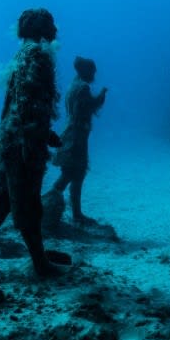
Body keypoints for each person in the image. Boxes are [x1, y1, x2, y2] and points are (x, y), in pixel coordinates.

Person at [0, 8, 70, 277]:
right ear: (41, 26)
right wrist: (38, 138)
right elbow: (29, 103)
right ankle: (40, 265)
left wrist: (43, 132)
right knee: (28, 201)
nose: (56, 29)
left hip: (11, 138)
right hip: (23, 142)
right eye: (52, 23)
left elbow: (21, 101)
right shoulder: (38, 54)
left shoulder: (22, 53)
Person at [44, 56, 108, 225]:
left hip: (73, 134)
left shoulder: (74, 85)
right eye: (93, 70)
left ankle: (74, 213)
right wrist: (101, 97)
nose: (95, 73)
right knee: (72, 174)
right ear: (85, 70)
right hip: (76, 137)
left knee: (74, 173)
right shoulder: (83, 88)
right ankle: (51, 208)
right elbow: (87, 107)